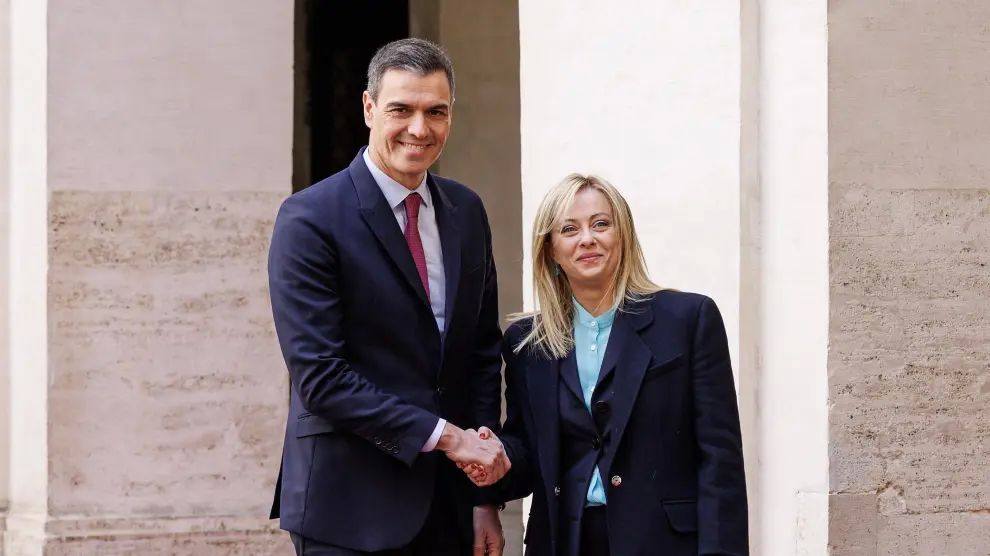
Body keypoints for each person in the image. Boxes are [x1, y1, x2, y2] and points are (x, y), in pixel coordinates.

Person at [267, 38, 510, 556]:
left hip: (448, 506)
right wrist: (449, 437)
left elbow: (482, 355)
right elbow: (320, 376)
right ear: (369, 108)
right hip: (348, 506)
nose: (419, 129)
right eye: (401, 109)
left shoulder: (467, 211)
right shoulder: (309, 219)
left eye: (436, 112)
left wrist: (482, 495)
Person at [471, 174, 748, 555]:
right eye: (569, 229)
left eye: (601, 224)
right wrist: (496, 462)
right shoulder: (526, 343)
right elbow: (530, 454)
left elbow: (720, 460)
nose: (587, 238)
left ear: (624, 235)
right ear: (550, 250)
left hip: (665, 543)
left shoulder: (688, 319)